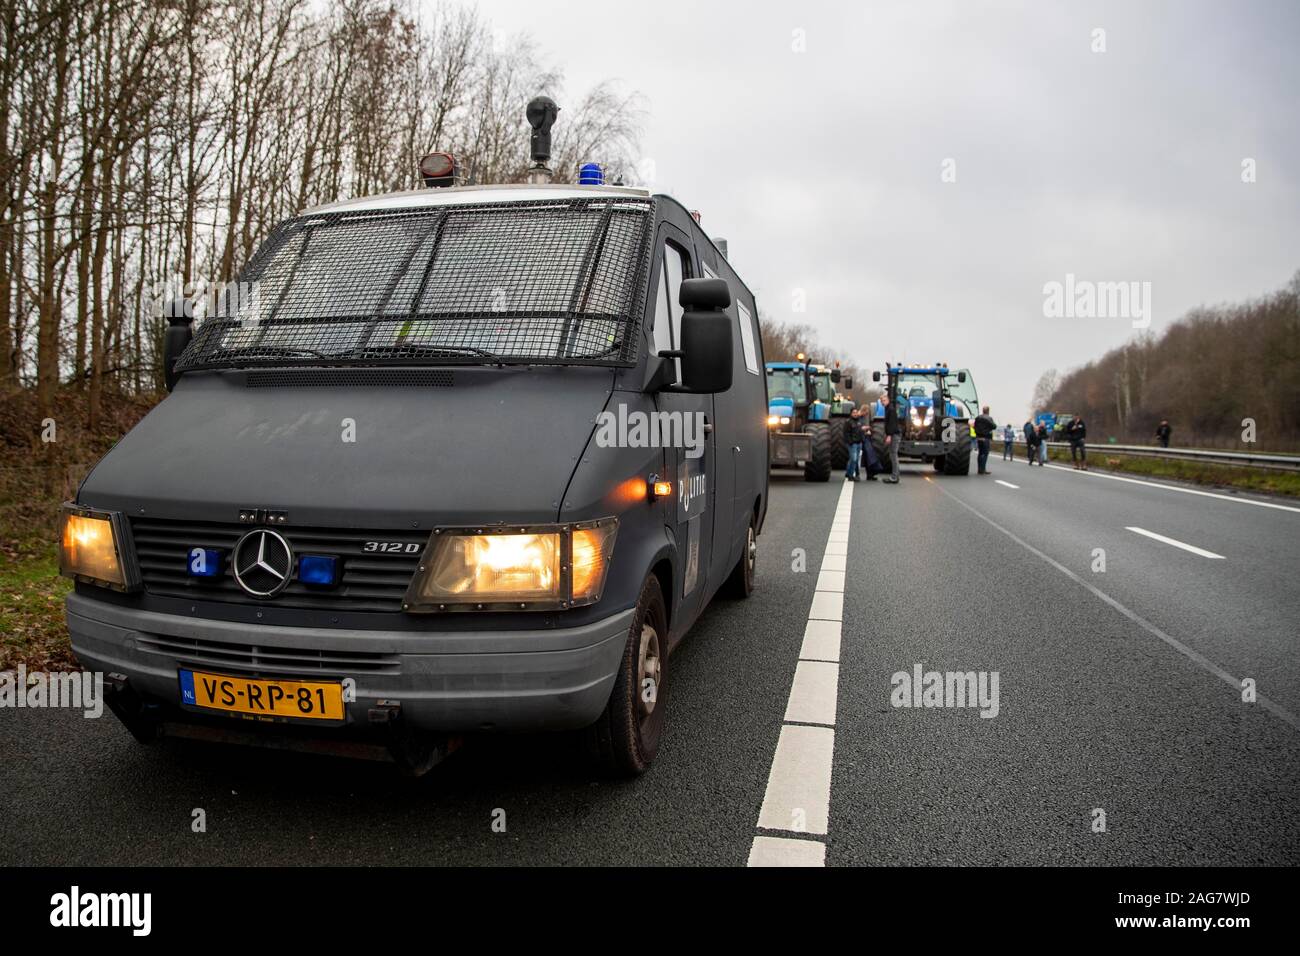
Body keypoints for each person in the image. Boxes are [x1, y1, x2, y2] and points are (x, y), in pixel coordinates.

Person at [881, 392, 901, 483]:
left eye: (884, 400)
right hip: (893, 434)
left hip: (894, 435)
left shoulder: (891, 409)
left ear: (888, 400)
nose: (883, 402)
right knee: (892, 455)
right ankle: (895, 476)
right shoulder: (888, 409)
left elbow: (892, 424)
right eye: (882, 401)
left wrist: (889, 435)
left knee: (893, 455)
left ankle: (894, 477)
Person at [973, 406, 997, 474]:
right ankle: (983, 469)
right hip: (986, 438)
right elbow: (994, 426)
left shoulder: (978, 418)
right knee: (985, 454)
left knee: (980, 453)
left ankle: (979, 469)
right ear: (988, 411)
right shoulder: (989, 418)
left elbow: (974, 426)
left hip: (979, 437)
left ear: (983, 410)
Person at [844, 407, 865, 481]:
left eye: (856, 412)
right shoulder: (848, 422)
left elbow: (860, 432)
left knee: (854, 460)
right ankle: (851, 475)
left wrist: (863, 439)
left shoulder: (859, 422)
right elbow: (846, 434)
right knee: (854, 459)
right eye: (854, 412)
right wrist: (850, 442)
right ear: (851, 413)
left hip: (859, 443)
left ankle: (849, 473)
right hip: (852, 444)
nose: (855, 414)